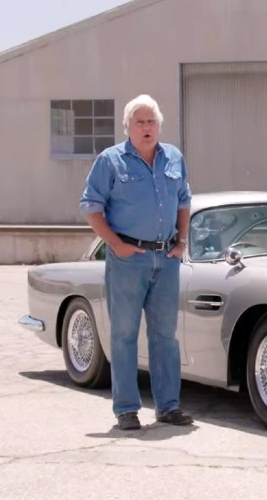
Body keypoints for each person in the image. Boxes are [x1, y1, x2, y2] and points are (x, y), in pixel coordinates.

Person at [79, 94, 194, 430]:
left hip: (167, 257)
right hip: (128, 258)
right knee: (124, 334)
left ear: (159, 125)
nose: (147, 128)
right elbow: (90, 207)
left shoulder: (173, 157)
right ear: (127, 126)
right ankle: (126, 409)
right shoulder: (110, 161)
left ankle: (168, 406)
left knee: (165, 336)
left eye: (152, 122)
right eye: (140, 122)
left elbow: (184, 200)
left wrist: (182, 241)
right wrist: (116, 245)